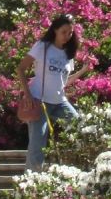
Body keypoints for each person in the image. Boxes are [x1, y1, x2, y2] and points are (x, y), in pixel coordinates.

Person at [19, 14, 79, 171]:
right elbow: (20, 69)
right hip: (39, 101)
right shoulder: (42, 46)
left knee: (79, 126)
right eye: (64, 32)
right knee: (37, 146)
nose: (67, 36)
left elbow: (63, 81)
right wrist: (28, 95)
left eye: (70, 33)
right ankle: (30, 180)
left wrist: (84, 70)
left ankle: (71, 166)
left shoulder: (68, 53)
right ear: (55, 30)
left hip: (59, 102)